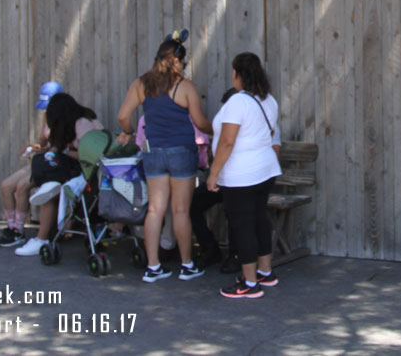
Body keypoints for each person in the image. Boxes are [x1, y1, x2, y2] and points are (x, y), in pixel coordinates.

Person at [117, 30, 213, 282]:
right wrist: (221, 129)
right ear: (175, 60)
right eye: (183, 60)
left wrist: (127, 132)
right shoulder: (184, 86)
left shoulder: (142, 84)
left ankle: (153, 267)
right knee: (181, 210)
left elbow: (123, 116)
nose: (184, 65)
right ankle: (187, 265)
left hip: (153, 152)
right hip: (181, 151)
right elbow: (201, 123)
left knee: (155, 210)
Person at [207, 52, 282, 299]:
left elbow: (227, 142)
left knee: (243, 226)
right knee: (260, 219)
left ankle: (249, 284)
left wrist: (213, 173)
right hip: (265, 170)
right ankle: (265, 272)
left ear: (237, 74)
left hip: (242, 174)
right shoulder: (268, 100)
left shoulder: (238, 102)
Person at [15, 92, 101, 256]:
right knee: (50, 186)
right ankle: (42, 237)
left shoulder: (82, 124)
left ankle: (41, 240)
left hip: (91, 173)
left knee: (49, 191)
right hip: (82, 171)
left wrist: (66, 151)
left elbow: (88, 156)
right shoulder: (78, 120)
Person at [0, 81, 62, 247]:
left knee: (21, 187)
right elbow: (43, 142)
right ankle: (11, 227)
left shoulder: (66, 117)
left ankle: (19, 230)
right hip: (42, 160)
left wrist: (49, 150)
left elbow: (63, 147)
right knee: (6, 185)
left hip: (55, 163)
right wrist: (34, 148)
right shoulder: (48, 116)